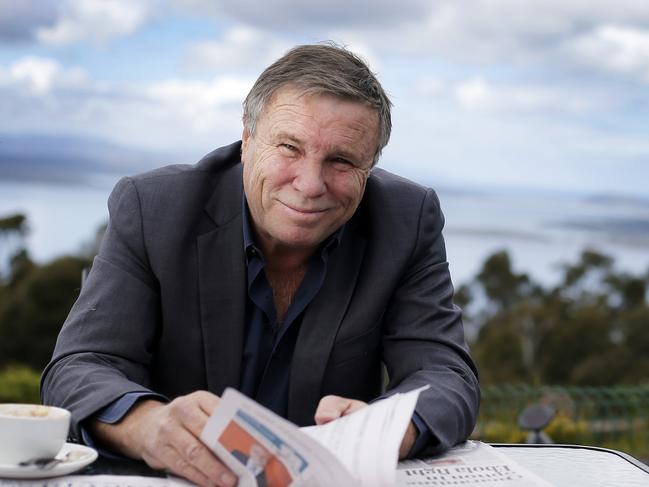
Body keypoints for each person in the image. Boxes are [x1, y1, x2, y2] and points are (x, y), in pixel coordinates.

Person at [42, 43, 479, 487]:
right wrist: (146, 425)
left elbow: (446, 375)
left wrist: (385, 429)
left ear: (371, 164)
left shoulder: (407, 218)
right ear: (247, 141)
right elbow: (81, 365)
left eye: (341, 160)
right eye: (289, 147)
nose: (310, 185)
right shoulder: (153, 208)